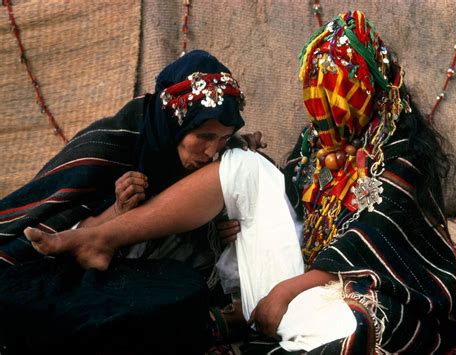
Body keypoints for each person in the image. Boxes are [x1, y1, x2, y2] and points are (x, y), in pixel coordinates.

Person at [22, 10, 456, 354]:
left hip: (344, 284)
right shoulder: (321, 138)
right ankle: (97, 241)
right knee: (244, 168)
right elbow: (288, 201)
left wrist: (287, 288)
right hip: (288, 272)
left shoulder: (401, 152)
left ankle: (255, 321)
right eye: (319, 100)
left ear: (364, 89)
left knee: (350, 326)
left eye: (335, 99)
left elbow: (375, 244)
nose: (325, 116)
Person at [0, 49, 263, 354]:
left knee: (182, 289)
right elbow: (54, 239)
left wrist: (220, 230)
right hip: (66, 278)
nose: (209, 152)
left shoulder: (214, 163)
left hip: (136, 283)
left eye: (221, 138)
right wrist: (118, 210)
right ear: (174, 123)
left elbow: (196, 242)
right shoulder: (111, 143)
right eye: (203, 136)